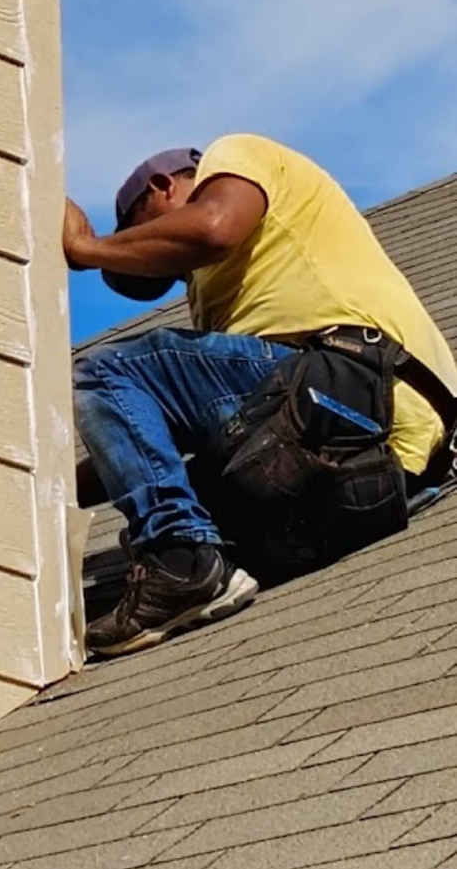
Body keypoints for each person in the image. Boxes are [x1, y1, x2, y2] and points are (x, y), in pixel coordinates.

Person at [64, 134, 457, 658]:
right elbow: (138, 437)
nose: (163, 257)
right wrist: (50, 488)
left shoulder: (237, 156)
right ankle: (186, 558)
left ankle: (182, 562)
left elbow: (212, 227)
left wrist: (85, 249)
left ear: (163, 187)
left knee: (105, 369)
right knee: (151, 509)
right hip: (384, 460)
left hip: (356, 383)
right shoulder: (223, 301)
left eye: (144, 229)